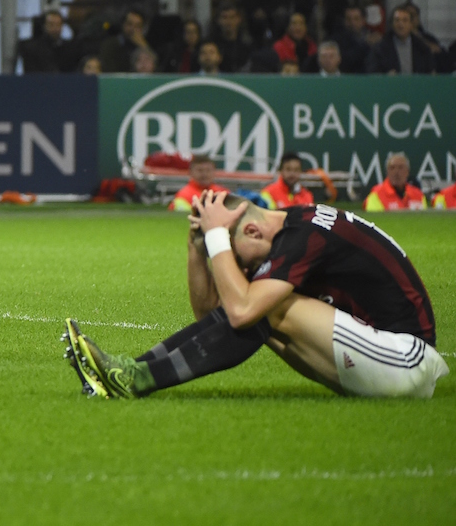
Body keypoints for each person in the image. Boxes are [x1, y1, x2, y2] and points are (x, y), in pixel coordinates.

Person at [65, 191, 447, 400]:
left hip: (405, 359)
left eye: (234, 257)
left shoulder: (303, 238)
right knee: (256, 305)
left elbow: (241, 310)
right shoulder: (291, 229)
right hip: (377, 355)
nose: (239, 270)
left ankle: (133, 377)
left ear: (250, 233)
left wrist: (217, 238)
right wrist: (198, 246)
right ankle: (127, 372)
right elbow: (213, 317)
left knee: (263, 306)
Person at [368, 5, 435, 74]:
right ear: (392, 24)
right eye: (397, 20)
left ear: (411, 24)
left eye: (405, 20)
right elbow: (373, 73)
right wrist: (386, 78)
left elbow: (430, 73)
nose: (400, 24)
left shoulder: (422, 48)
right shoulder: (380, 49)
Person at [363, 152, 427, 211]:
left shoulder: (418, 195)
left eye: (400, 167)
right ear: (387, 172)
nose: (396, 172)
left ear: (407, 171)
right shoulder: (376, 195)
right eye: (392, 168)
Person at [332, 5, 372, 74]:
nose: (352, 23)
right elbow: (344, 61)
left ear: (363, 20)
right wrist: (366, 44)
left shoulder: (373, 37)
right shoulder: (337, 40)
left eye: (356, 19)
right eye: (348, 19)